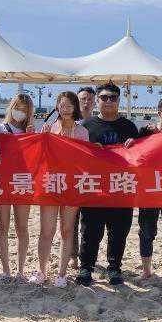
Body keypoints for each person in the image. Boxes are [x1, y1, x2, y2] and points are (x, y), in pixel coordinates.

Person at [77, 81, 139, 286]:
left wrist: (134, 145)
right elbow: (75, 155)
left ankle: (114, 268)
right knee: (90, 231)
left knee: (119, 231)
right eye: (104, 97)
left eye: (113, 98)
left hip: (121, 186)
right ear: (97, 100)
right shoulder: (86, 126)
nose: (109, 101)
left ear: (119, 101)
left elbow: (141, 155)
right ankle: (86, 267)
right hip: (94, 186)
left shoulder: (129, 127)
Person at [125, 96, 162, 286]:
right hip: (149, 188)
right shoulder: (145, 132)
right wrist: (131, 143)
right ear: (159, 113)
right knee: (146, 231)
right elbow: (134, 153)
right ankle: (146, 271)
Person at [33, 91, 89, 287]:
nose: (65, 109)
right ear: (57, 106)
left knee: (67, 230)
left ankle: (62, 273)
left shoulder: (82, 132)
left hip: (72, 185)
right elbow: (38, 157)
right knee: (46, 231)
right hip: (51, 183)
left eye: (69, 106)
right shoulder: (48, 128)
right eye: (62, 105)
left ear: (75, 108)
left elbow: (84, 159)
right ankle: (41, 270)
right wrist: (42, 136)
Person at [0, 93, 35, 281]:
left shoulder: (30, 131)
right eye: (17, 107)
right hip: (3, 181)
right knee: (3, 226)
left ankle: (21, 269)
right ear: (11, 107)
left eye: (25, 109)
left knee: (22, 227)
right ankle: (6, 269)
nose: (20, 112)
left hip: (23, 181)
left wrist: (32, 136)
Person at [68, 86, 96, 270]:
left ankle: (85, 254)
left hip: (93, 178)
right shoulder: (68, 122)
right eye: (83, 99)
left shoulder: (97, 123)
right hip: (72, 177)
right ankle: (73, 255)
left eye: (90, 99)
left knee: (89, 221)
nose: (86, 102)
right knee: (71, 220)